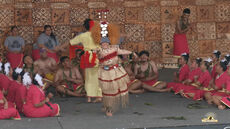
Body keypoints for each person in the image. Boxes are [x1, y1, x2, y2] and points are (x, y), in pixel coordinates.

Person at [58, 19, 102, 103]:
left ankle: (89, 97)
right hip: (96, 57)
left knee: (88, 78)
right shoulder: (97, 35)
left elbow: (70, 42)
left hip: (86, 57)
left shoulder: (83, 35)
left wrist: (60, 47)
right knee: (96, 77)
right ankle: (98, 96)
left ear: (85, 27)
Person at [96, 36, 137, 116]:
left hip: (116, 72)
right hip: (105, 73)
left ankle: (109, 107)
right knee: (107, 90)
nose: (104, 44)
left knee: (116, 89)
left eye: (106, 42)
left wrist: (132, 53)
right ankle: (108, 107)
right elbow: (94, 53)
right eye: (103, 43)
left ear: (109, 43)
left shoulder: (114, 49)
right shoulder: (99, 50)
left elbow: (122, 51)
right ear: (100, 44)